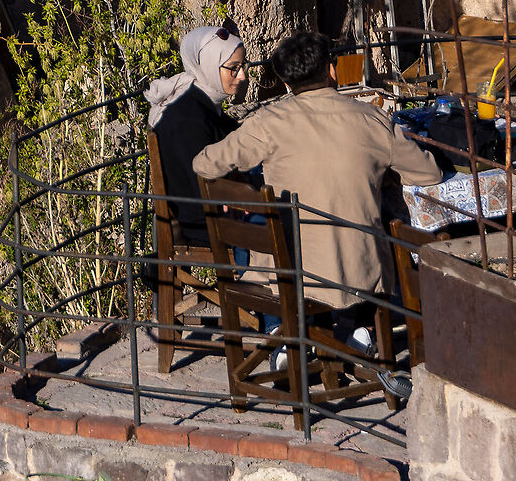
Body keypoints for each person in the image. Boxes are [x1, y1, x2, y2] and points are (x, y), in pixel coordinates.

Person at [192, 31, 443, 359]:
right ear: (332, 71)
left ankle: (284, 338)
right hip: (360, 273)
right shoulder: (373, 120)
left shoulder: (267, 123)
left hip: (290, 275)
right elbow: (429, 173)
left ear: (285, 83)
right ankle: (357, 330)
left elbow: (204, 163)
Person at [146, 21, 248, 246]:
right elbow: (200, 191)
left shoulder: (199, 101)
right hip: (201, 226)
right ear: (210, 65)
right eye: (233, 67)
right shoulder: (188, 117)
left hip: (206, 216)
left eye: (243, 66)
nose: (241, 75)